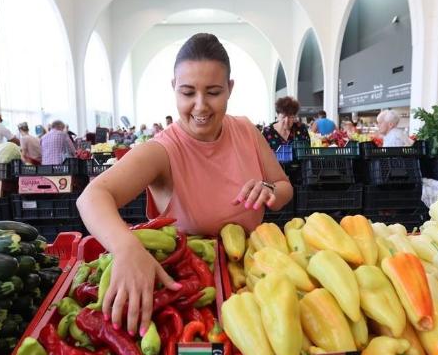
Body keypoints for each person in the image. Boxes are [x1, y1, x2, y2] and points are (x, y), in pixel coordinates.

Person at [76, 33, 292, 335]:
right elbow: (92, 196)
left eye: (214, 92)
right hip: (188, 298)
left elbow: (284, 187)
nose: (200, 106)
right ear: (174, 89)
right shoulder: (163, 150)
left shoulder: (246, 131)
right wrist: (126, 248)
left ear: (230, 89)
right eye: (188, 92)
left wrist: (269, 191)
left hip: (252, 282)